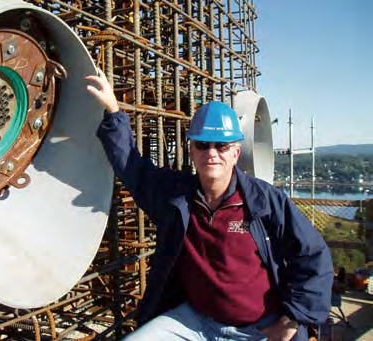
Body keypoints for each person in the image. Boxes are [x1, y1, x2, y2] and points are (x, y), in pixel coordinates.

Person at [86, 69, 334, 341]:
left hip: (257, 328)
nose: (212, 153)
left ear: (236, 152)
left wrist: (292, 319)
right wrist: (113, 111)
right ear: (192, 150)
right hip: (195, 321)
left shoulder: (264, 201)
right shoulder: (177, 197)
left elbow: (313, 256)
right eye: (203, 145)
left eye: (222, 145)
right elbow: (133, 168)